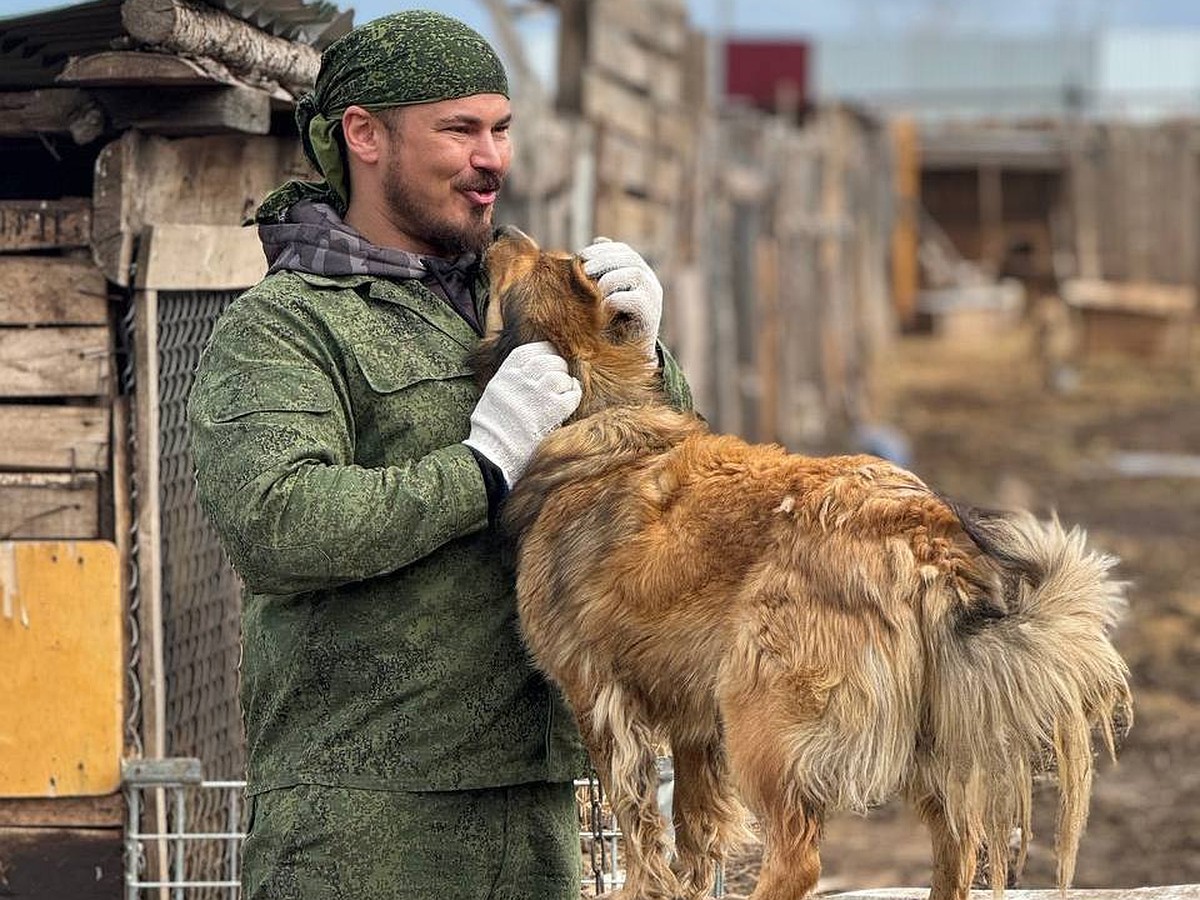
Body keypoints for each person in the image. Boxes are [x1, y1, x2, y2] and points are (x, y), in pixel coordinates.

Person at [187, 10, 691, 900]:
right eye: (459, 129)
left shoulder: (528, 293)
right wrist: (483, 466)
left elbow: (650, 489)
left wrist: (642, 361)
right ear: (365, 135)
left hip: (537, 806)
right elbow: (278, 525)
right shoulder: (287, 324)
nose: (492, 157)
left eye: (501, 128)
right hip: (360, 823)